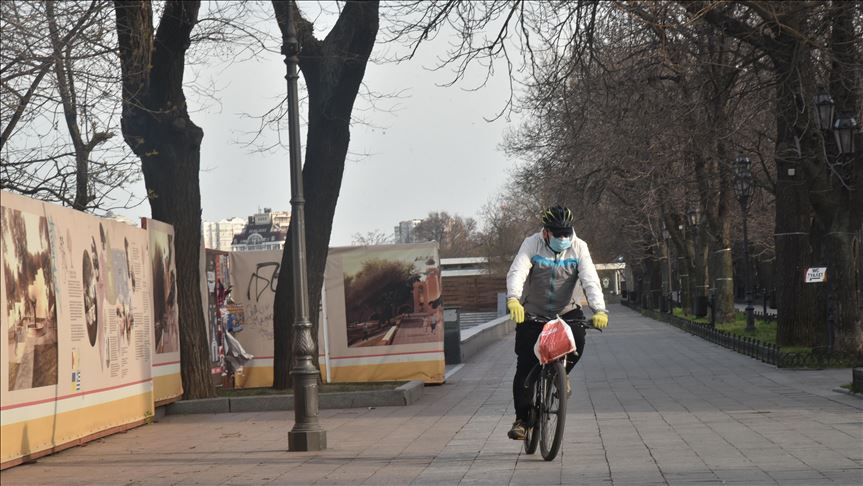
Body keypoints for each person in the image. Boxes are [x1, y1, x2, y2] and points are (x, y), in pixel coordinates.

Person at [505, 205, 609, 440]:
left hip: (566, 311)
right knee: (525, 365)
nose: (563, 238)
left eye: (566, 233)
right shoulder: (532, 244)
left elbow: (590, 280)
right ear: (546, 232)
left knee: (578, 339)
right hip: (534, 311)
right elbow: (517, 271)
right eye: (557, 233)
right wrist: (513, 299)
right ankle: (522, 420)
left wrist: (599, 310)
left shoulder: (579, 247)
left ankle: (561, 374)